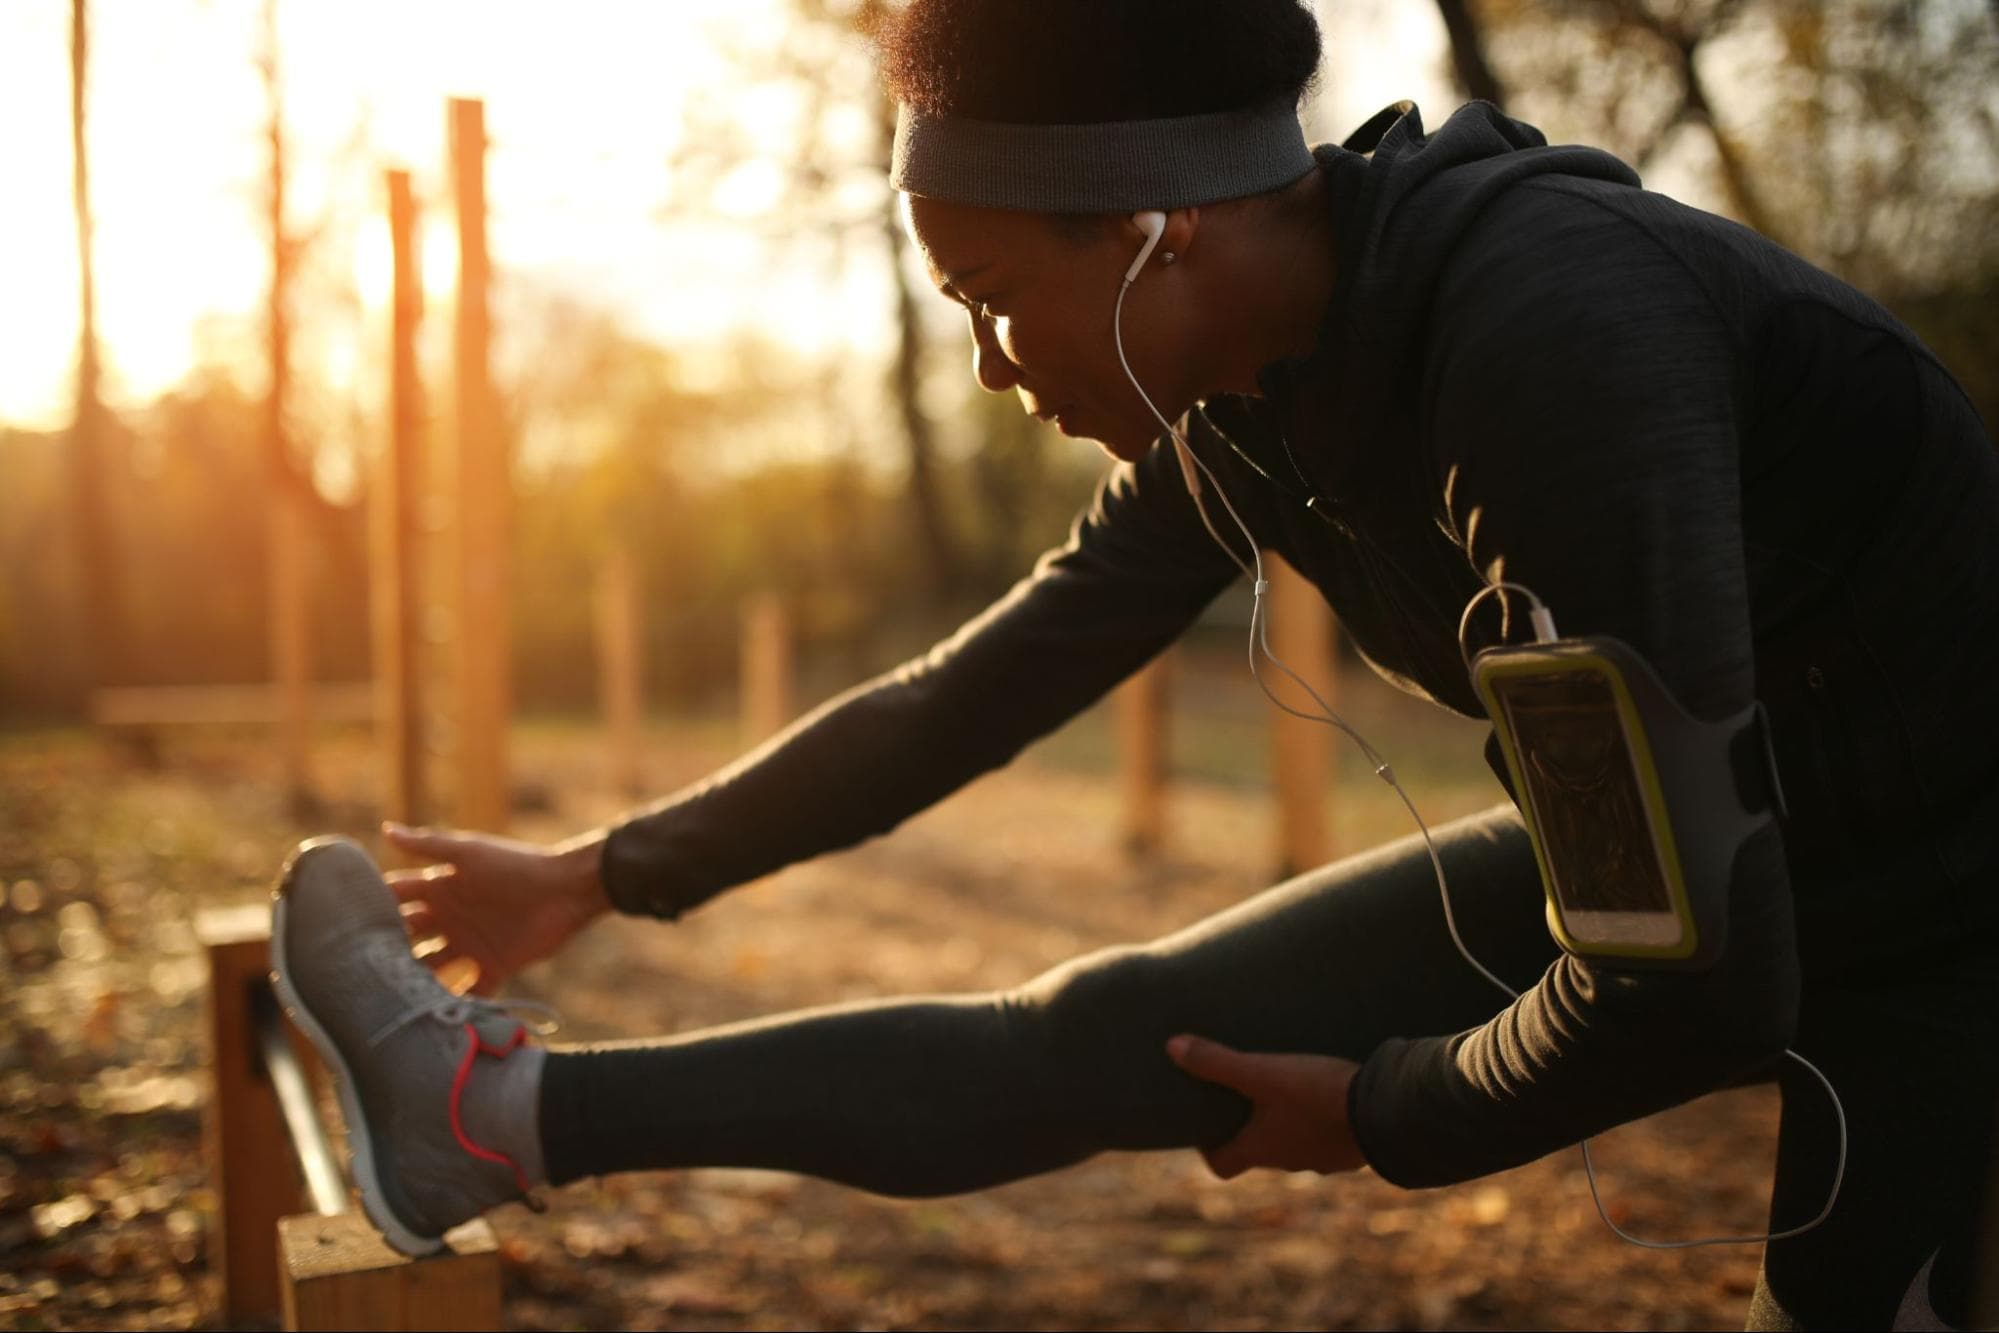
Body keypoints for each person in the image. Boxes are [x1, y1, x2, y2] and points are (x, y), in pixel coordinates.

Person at [269, 2, 1999, 1327]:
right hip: (1744, 856)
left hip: (1955, 913)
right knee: (1118, 1029)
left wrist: (1391, 1108)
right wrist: (596, 871)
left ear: (1157, 228)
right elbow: (980, 686)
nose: (991, 371)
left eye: (993, 296)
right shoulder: (1248, 394)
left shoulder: (1552, 345)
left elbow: (1693, 974)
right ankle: (486, 1118)